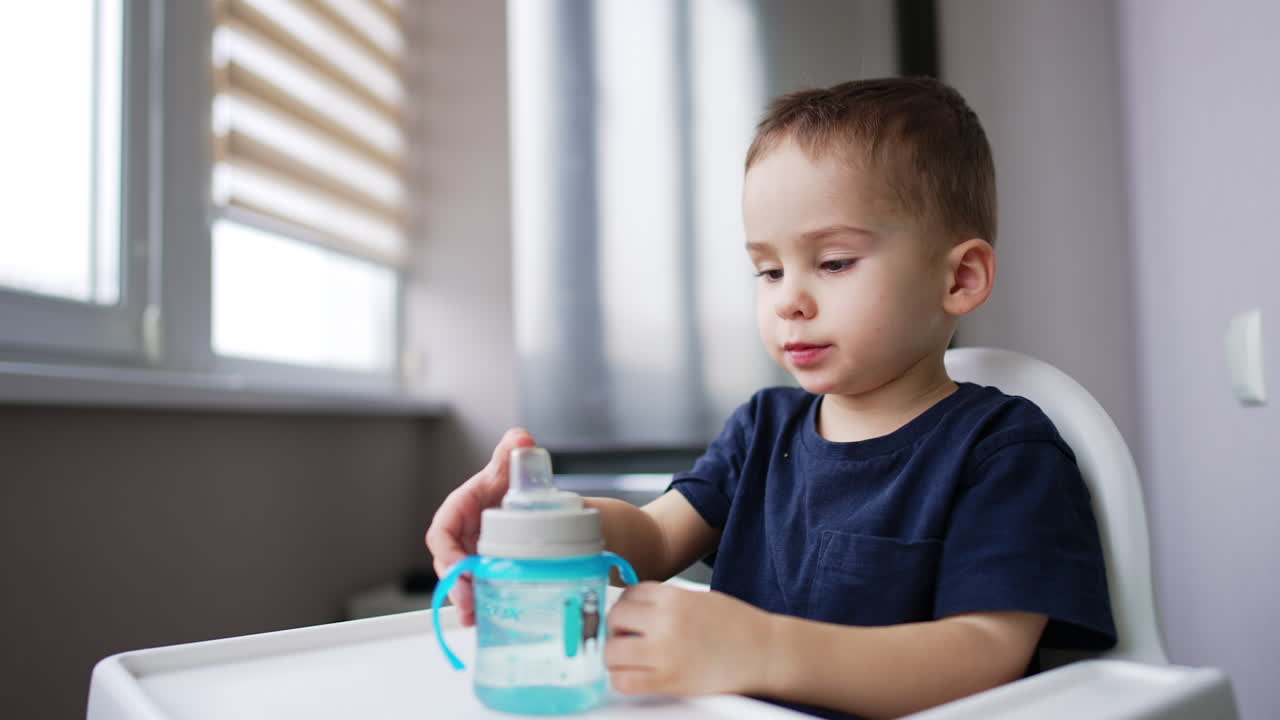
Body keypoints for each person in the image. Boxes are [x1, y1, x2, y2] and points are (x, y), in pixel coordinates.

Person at [426, 76, 1116, 720]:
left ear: (961, 278)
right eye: (768, 268)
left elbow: (985, 658)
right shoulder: (764, 427)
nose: (790, 298)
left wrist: (764, 650)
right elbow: (658, 536)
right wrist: (543, 524)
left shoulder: (1003, 451)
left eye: (835, 262)